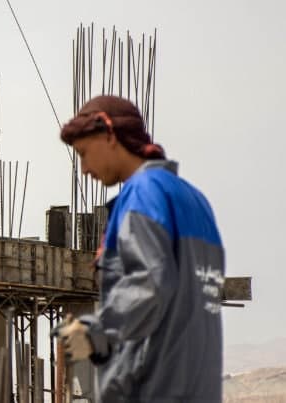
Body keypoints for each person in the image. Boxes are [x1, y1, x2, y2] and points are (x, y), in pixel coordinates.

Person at [54, 95, 225, 402]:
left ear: (109, 134)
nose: (83, 169)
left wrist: (95, 333)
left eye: (83, 153)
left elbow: (150, 283)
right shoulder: (196, 202)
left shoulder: (143, 194)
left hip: (153, 390)